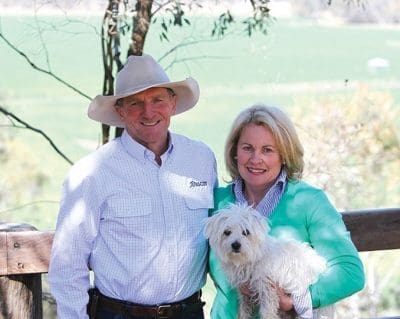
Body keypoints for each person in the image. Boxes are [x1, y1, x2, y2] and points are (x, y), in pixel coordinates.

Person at [48, 54, 218, 319]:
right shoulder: (92, 172)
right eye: (136, 103)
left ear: (172, 103)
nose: (148, 112)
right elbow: (67, 264)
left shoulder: (201, 159)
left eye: (157, 99)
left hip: (190, 312)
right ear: (120, 111)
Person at [208, 104, 365, 319]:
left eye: (267, 150)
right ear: (234, 152)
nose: (256, 159)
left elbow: (350, 273)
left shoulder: (309, 201)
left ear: (284, 155)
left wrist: (295, 300)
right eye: (247, 148)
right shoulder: (216, 202)